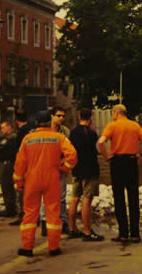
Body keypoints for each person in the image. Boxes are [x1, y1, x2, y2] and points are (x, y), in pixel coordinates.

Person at [13, 110, 77, 257]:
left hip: (32, 180)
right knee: (53, 212)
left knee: (30, 213)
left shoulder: (27, 139)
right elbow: (72, 155)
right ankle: (54, 247)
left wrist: (19, 181)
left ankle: (27, 247)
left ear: (36, 123)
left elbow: (19, 163)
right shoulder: (59, 137)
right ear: (50, 122)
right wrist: (64, 168)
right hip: (52, 178)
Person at [97, 104, 142, 242]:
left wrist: (105, 157)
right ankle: (135, 234)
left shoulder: (112, 126)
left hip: (117, 162)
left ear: (116, 113)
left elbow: (100, 142)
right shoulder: (134, 125)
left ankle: (123, 233)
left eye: (112, 113)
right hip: (132, 162)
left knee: (119, 198)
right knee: (133, 197)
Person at [67, 108, 104, 241]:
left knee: (75, 198)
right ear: (90, 118)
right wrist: (92, 128)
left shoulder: (73, 132)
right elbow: (95, 149)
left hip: (76, 169)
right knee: (87, 200)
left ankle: (72, 229)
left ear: (78, 117)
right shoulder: (91, 133)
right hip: (89, 170)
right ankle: (87, 231)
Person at [39, 106, 70, 237]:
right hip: (45, 168)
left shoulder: (65, 132)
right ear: (52, 116)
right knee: (45, 196)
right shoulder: (44, 131)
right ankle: (44, 221)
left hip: (60, 168)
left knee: (61, 196)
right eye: (58, 115)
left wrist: (64, 161)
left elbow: (69, 149)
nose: (61, 118)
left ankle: (63, 222)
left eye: (63, 116)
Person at [10, 109, 32, 225]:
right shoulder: (31, 129)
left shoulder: (21, 132)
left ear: (16, 120)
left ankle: (24, 215)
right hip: (33, 164)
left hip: (24, 165)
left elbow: (20, 151)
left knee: (22, 190)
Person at [0, 120, 19, 219]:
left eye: (3, 127)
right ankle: (11, 208)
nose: (2, 130)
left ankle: (10, 210)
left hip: (8, 163)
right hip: (9, 163)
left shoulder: (11, 138)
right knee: (8, 187)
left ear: (10, 127)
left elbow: (0, 147)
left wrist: (0, 146)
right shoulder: (6, 138)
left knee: (6, 185)